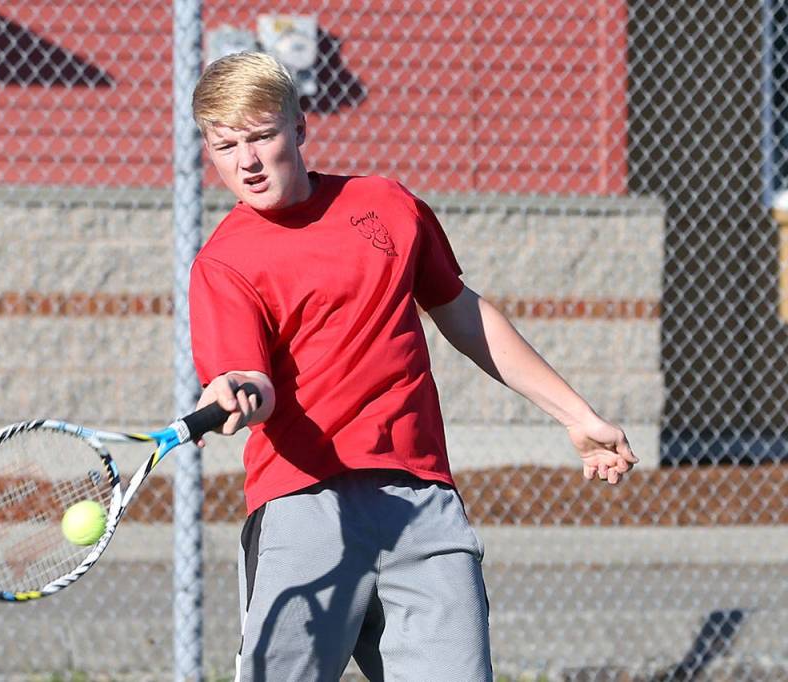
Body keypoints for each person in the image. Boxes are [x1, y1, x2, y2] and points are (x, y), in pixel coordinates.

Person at [187, 51, 638, 682]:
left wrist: (576, 415)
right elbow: (249, 377)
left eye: (261, 136)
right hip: (303, 509)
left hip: (422, 502)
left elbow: (461, 314)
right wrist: (237, 390)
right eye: (226, 145)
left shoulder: (386, 206)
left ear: (299, 126)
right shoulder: (223, 263)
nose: (247, 162)